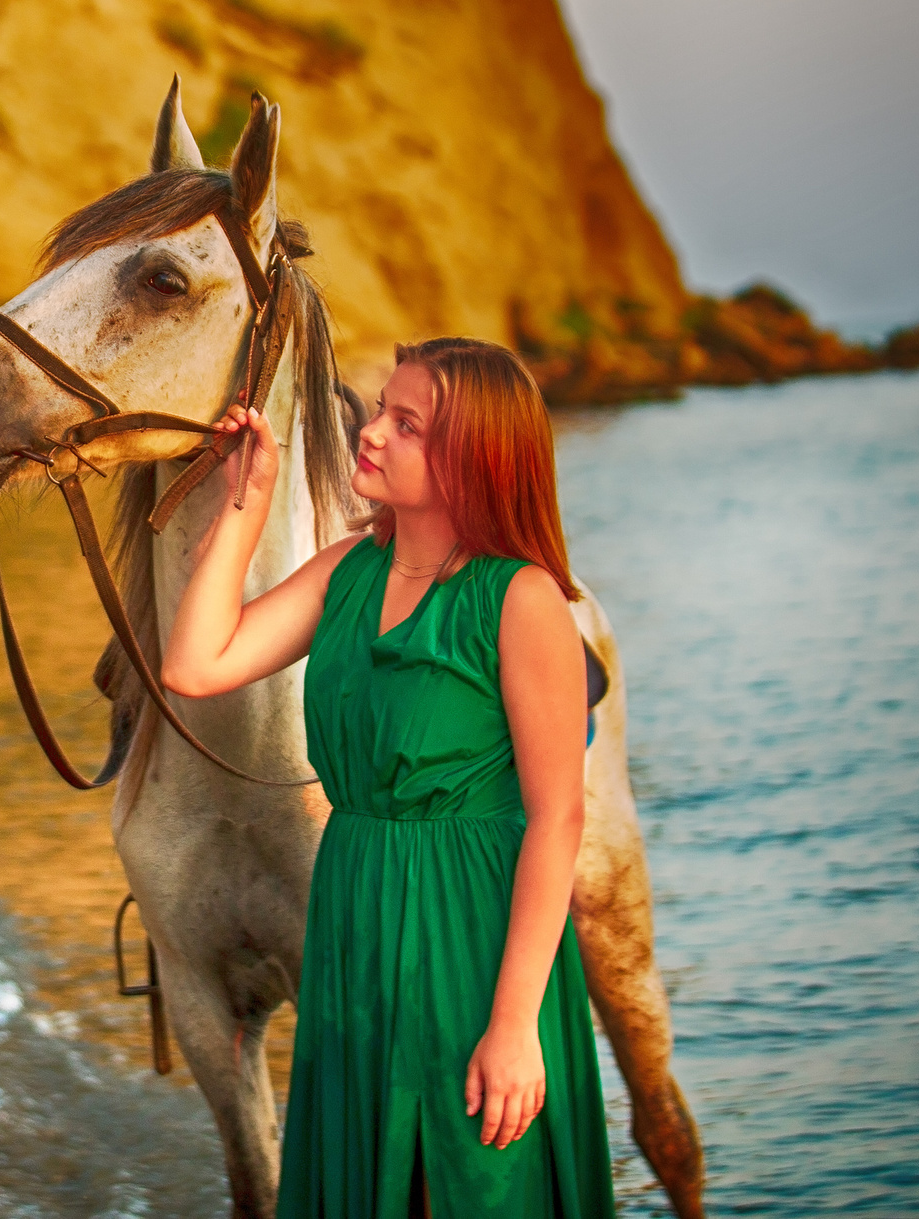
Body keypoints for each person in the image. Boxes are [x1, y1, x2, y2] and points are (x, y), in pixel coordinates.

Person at [163, 337, 617, 1218]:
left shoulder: (520, 599)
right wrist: (246, 505)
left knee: (476, 1181)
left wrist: (516, 1023)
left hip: (473, 933)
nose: (371, 433)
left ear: (472, 459)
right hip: (356, 910)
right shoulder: (347, 568)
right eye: (382, 409)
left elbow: (557, 817)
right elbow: (195, 662)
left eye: (406, 424)